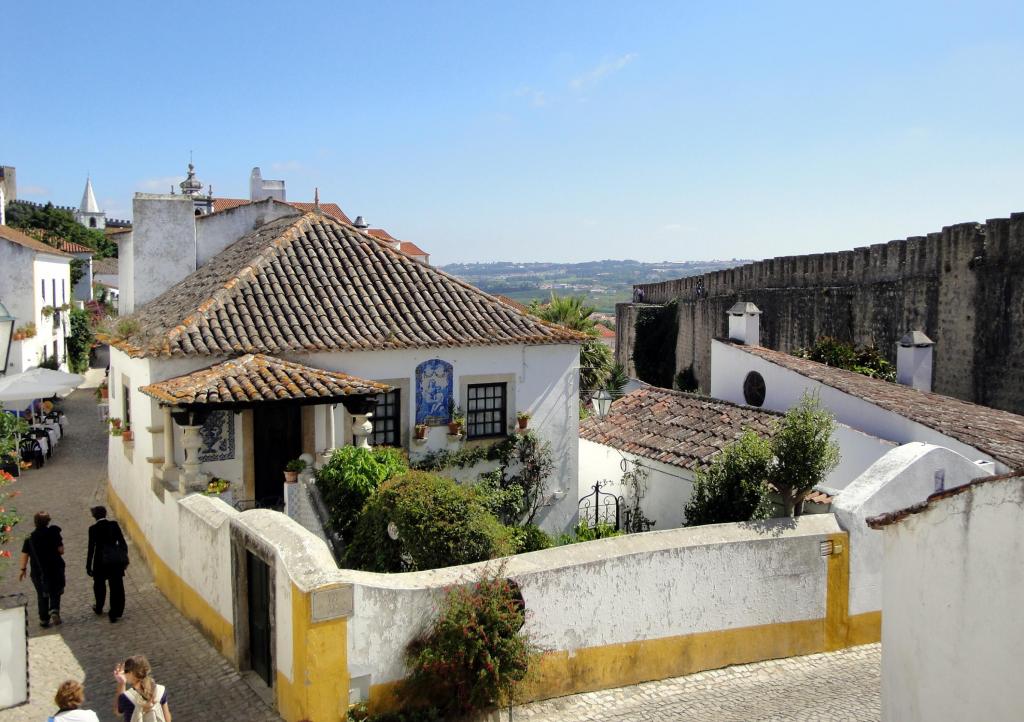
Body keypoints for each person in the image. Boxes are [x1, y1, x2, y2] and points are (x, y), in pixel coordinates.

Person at [19, 511, 66, 627]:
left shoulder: (29, 538)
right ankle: (54, 609)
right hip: (55, 567)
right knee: (55, 589)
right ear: (48, 521)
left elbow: (25, 554)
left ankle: (44, 619)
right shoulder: (53, 533)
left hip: (38, 571)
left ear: (35, 523)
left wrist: (22, 569)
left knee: (41, 593)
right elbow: (61, 551)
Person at [86, 505, 128, 622]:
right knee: (117, 586)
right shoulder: (113, 525)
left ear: (94, 516)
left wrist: (88, 565)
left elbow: (91, 549)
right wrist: (123, 557)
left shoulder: (93, 529)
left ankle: (99, 606)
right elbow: (122, 542)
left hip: (100, 560)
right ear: (105, 514)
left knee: (99, 584)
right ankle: (115, 612)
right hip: (114, 559)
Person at [114, 655, 171, 722]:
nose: (124, 673)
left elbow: (118, 711)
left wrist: (121, 683)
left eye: (125, 671)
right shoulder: (161, 690)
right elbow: (167, 719)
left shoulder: (127, 697)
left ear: (131, 673)